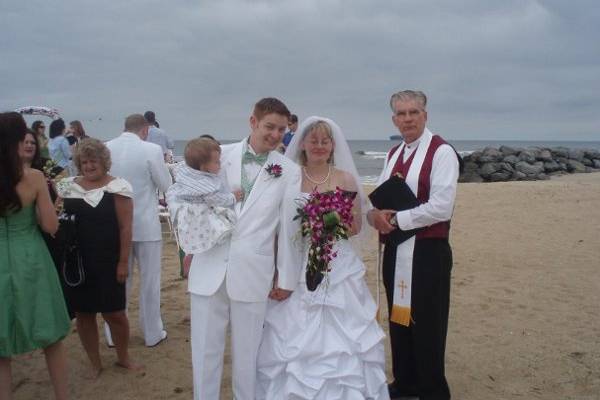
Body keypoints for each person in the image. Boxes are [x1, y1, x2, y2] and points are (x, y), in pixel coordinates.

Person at [256, 116, 389, 399]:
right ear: (301, 143)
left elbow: (355, 226)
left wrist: (332, 223)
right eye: (313, 140)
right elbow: (277, 225)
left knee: (347, 333)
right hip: (298, 259)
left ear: (333, 145)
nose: (319, 146)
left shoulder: (346, 178)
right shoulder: (289, 176)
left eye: (324, 141)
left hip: (338, 262)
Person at [188, 97, 302, 400]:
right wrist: (189, 251)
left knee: (248, 355)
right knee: (204, 352)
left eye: (281, 129)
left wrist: (285, 277)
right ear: (253, 122)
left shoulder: (289, 171)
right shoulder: (217, 156)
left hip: (254, 272)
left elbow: (288, 229)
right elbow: (190, 204)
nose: (276, 135)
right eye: (269, 127)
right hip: (209, 266)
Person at [368, 90, 460, 400]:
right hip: (396, 249)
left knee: (429, 324)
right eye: (401, 114)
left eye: (413, 112)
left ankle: (432, 390)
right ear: (394, 118)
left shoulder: (442, 152)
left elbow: (441, 206)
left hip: (428, 252)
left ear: (425, 115)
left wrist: (396, 220)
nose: (407, 118)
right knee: (399, 317)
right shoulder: (393, 154)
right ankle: (405, 383)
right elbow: (382, 192)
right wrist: (376, 215)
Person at [0, 112, 70, 400]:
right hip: (29, 254)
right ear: (18, 140)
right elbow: (50, 226)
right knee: (50, 333)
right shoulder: (35, 177)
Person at [56, 138, 140, 376]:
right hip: (76, 261)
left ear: (104, 161)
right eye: (84, 161)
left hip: (108, 260)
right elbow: (56, 217)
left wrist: (123, 262)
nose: (89, 166)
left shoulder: (118, 187)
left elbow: (126, 227)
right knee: (84, 313)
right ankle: (95, 363)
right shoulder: (67, 187)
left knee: (115, 313)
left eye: (93, 161)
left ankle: (123, 358)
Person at [105, 114, 173, 347]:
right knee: (150, 282)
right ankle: (152, 333)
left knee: (119, 282)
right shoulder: (151, 150)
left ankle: (113, 334)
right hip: (145, 224)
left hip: (114, 224)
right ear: (145, 130)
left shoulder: (107, 148)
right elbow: (165, 185)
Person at [166, 137, 243, 254]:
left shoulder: (187, 174)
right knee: (216, 228)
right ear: (203, 167)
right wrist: (232, 197)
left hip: (183, 211)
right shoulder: (204, 184)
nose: (220, 165)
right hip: (196, 213)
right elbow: (215, 199)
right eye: (217, 162)